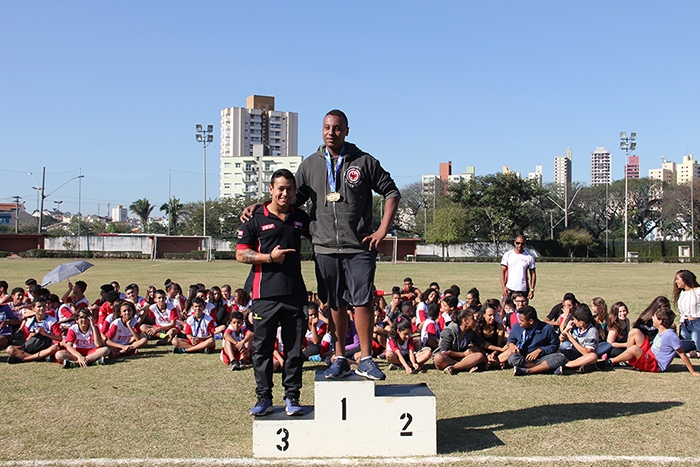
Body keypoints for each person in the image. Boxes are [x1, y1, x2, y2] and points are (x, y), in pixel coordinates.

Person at [286, 109, 400, 381]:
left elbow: (391, 191)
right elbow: (293, 200)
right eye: (326, 127)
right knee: (334, 303)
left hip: (359, 246)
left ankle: (366, 358)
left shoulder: (364, 161)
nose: (331, 132)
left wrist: (382, 229)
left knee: (362, 301)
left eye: (337, 128)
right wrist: (261, 207)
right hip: (324, 247)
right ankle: (338, 358)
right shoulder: (311, 164)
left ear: (346, 130)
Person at [237, 169, 310, 417]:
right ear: (271, 189)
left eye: (289, 188)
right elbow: (240, 254)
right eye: (280, 188)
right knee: (263, 350)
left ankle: (292, 397)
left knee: (293, 351)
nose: (285, 193)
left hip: (294, 295)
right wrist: (269, 257)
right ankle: (264, 398)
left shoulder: (300, 217)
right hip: (264, 295)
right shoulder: (255, 218)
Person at [597, 305, 700, 376]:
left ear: (660, 321)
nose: (652, 320)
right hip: (650, 354)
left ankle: (610, 362)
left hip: (655, 365)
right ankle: (629, 361)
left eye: (654, 318)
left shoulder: (671, 335)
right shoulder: (662, 330)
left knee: (635, 349)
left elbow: (682, 354)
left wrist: (693, 372)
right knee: (634, 332)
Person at [508, 305, 566, 376]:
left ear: (531, 321)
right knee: (512, 358)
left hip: (542, 358)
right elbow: (511, 340)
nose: (519, 322)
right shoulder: (517, 327)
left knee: (561, 358)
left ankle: (528, 371)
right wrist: (511, 344)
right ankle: (546, 369)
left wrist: (541, 350)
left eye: (522, 320)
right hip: (525, 358)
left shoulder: (547, 329)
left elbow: (554, 345)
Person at [432, 308, 486, 375]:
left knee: (479, 355)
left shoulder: (470, 331)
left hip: (460, 359)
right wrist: (463, 354)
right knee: (438, 358)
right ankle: (466, 365)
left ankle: (453, 367)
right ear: (465, 321)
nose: (475, 321)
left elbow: (482, 343)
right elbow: (444, 352)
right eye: (473, 319)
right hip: (448, 359)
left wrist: (501, 349)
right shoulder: (449, 331)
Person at [6, 297, 60, 363]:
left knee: (54, 348)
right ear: (33, 308)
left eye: (43, 306)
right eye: (39, 306)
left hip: (45, 348)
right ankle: (38, 358)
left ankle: (25, 359)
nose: (42, 308)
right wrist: (30, 336)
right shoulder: (29, 322)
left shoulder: (52, 321)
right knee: (10, 349)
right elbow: (26, 340)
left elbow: (60, 338)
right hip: (31, 348)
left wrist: (46, 334)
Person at [559, 304, 599, 373]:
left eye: (575, 319)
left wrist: (571, 339)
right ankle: (578, 366)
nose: (574, 321)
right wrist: (566, 329)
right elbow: (560, 339)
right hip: (570, 353)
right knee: (556, 350)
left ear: (582, 323)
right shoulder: (574, 326)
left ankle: (567, 366)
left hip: (582, 357)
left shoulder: (592, 331)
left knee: (593, 356)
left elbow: (587, 352)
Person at [673, 269, 700, 357]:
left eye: (678, 279)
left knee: (697, 346)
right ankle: (691, 354)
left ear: (685, 279)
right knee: (682, 346)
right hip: (684, 324)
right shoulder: (683, 294)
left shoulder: (698, 291)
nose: (676, 281)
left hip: (697, 323)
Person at [500, 235, 537, 300]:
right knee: (506, 308)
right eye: (518, 243)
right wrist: (503, 286)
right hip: (509, 288)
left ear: (525, 244)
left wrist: (532, 289)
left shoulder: (529, 257)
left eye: (522, 244)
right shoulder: (508, 255)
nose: (520, 245)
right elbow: (502, 271)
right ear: (514, 243)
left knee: (522, 309)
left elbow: (533, 274)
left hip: (523, 289)